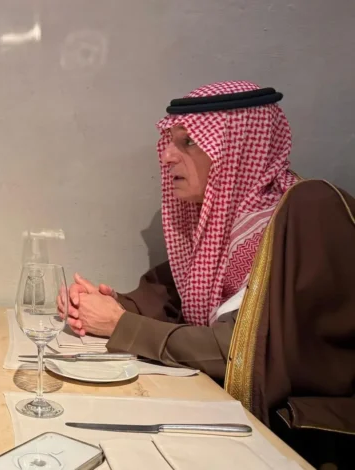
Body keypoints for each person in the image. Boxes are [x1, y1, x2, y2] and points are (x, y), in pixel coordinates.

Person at [62, 81, 355, 466]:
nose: (167, 157)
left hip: (292, 448)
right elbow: (169, 295)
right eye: (170, 142)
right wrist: (102, 305)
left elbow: (239, 351)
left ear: (236, 149)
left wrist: (120, 324)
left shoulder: (306, 214)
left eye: (188, 142)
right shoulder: (220, 225)